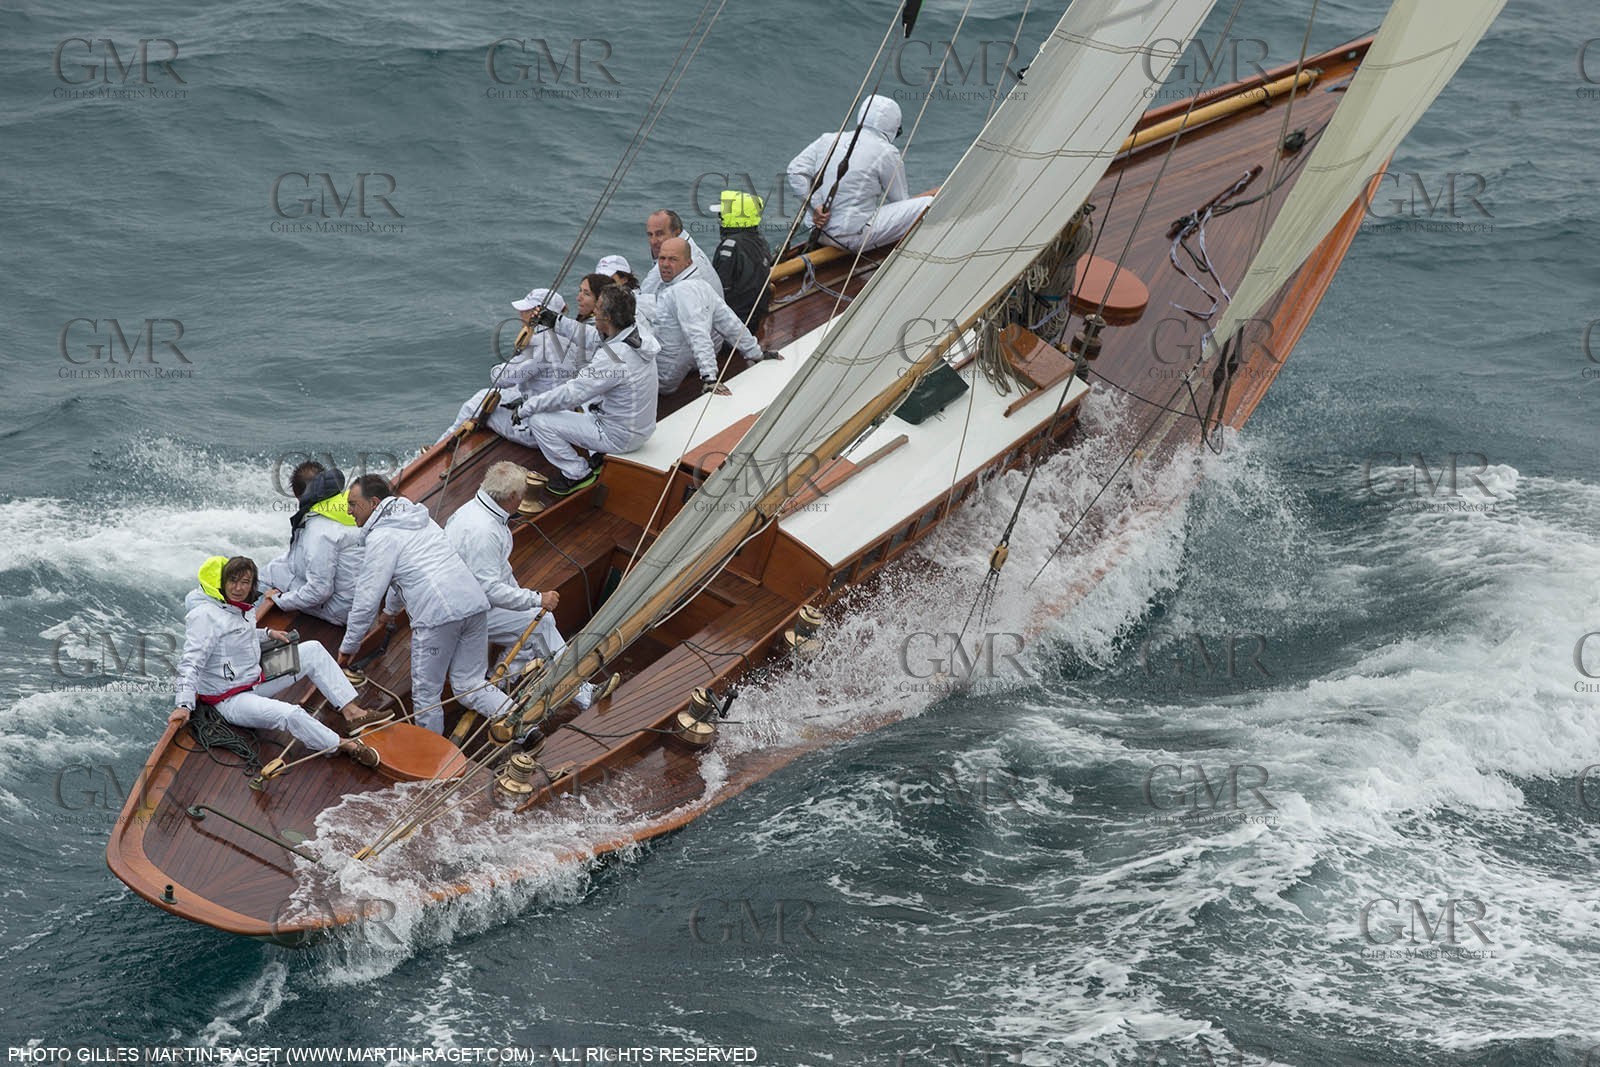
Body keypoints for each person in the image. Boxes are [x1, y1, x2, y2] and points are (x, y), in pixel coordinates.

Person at [340, 475, 514, 736]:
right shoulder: (419, 519)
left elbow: (366, 600)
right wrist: (389, 612)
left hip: (437, 617)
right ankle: (522, 723)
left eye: (353, 504)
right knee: (471, 684)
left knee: (426, 696)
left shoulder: (381, 537)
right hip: (474, 605)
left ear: (374, 503)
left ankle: (435, 766)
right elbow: (407, 573)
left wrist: (348, 648)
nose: (348, 511)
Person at [170, 555, 384, 766]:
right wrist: (183, 705)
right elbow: (190, 663)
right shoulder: (204, 617)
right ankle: (344, 745)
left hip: (255, 678)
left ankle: (353, 713)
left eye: (244, 582)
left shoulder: (233, 607)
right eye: (232, 581)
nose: (238, 588)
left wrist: (268, 633)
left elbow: (234, 636)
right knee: (290, 714)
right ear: (220, 584)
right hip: (231, 699)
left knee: (313, 650)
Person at [445, 461, 620, 707]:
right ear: (514, 496)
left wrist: (528, 600)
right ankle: (580, 692)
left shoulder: (477, 512)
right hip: (466, 613)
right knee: (541, 624)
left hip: (471, 600)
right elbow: (489, 589)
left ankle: (574, 688)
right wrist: (536, 599)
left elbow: (499, 572)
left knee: (541, 620)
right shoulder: (483, 532)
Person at [510, 285, 661, 495]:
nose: (594, 312)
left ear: (607, 316)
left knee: (539, 420)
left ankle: (577, 474)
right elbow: (591, 337)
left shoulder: (613, 358)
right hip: (640, 427)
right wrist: (555, 320)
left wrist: (526, 407)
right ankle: (597, 454)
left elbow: (571, 393)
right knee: (589, 396)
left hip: (619, 436)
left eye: (598, 308)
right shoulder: (635, 334)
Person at [787, 95, 933, 252]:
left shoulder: (828, 139)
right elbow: (899, 200)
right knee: (927, 204)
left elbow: (795, 170)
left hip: (816, 230)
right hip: (850, 238)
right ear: (893, 128)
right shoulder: (887, 152)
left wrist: (815, 205)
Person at [437, 287, 581, 444]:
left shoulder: (540, 342)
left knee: (475, 403)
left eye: (526, 310)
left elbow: (503, 379)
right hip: (565, 418)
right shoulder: (569, 338)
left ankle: (436, 452)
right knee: (512, 393)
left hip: (537, 430)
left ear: (537, 313)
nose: (520, 314)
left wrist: (496, 369)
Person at [651, 237, 780, 396]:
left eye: (673, 259)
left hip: (660, 375)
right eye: (662, 258)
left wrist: (710, 378)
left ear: (688, 263)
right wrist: (756, 353)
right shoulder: (701, 285)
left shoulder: (683, 291)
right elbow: (729, 323)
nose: (664, 264)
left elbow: (698, 334)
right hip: (658, 360)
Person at [259, 461, 365, 626]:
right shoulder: (353, 507)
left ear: (298, 496)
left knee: (265, 574)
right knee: (280, 566)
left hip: (342, 610)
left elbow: (320, 591)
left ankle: (251, 625)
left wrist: (280, 600)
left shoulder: (318, 529)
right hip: (365, 599)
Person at [711, 190, 774, 333]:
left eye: (721, 215)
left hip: (734, 326)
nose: (719, 219)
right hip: (754, 320)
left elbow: (719, 290)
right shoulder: (760, 241)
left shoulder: (730, 246)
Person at [639, 209, 724, 302]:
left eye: (660, 234)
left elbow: (644, 298)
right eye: (650, 235)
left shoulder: (679, 260)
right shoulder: (686, 248)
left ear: (676, 233)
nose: (653, 241)